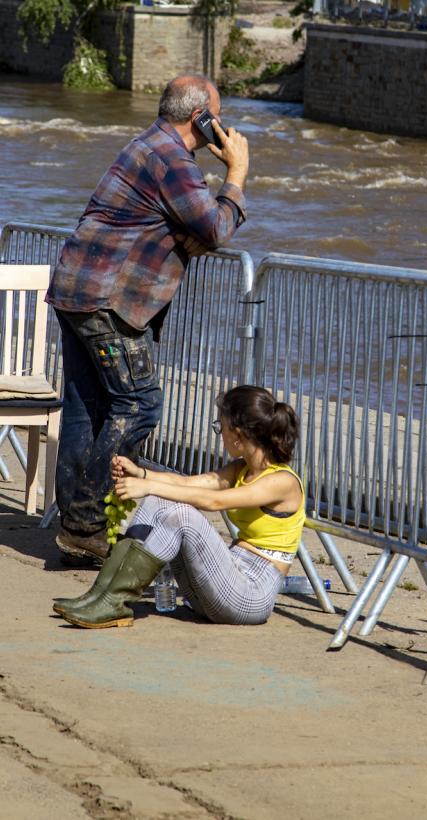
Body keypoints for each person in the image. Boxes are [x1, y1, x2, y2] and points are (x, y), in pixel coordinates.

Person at [46, 74, 250, 567]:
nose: (220, 125)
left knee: (86, 409)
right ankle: (88, 523)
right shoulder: (173, 160)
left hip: (78, 291)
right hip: (108, 302)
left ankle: (78, 530)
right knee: (140, 404)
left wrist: (193, 234)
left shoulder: (147, 146)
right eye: (216, 116)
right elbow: (215, 229)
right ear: (200, 117)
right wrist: (237, 175)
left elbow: (190, 229)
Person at [53, 386, 304, 629]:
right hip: (222, 584)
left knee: (183, 515)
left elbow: (213, 501)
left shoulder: (282, 481)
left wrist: (148, 486)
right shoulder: (242, 468)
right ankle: (102, 595)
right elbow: (189, 483)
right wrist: (141, 474)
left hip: (250, 595)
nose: (220, 433)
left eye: (221, 427)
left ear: (238, 435)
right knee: (157, 502)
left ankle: (112, 601)